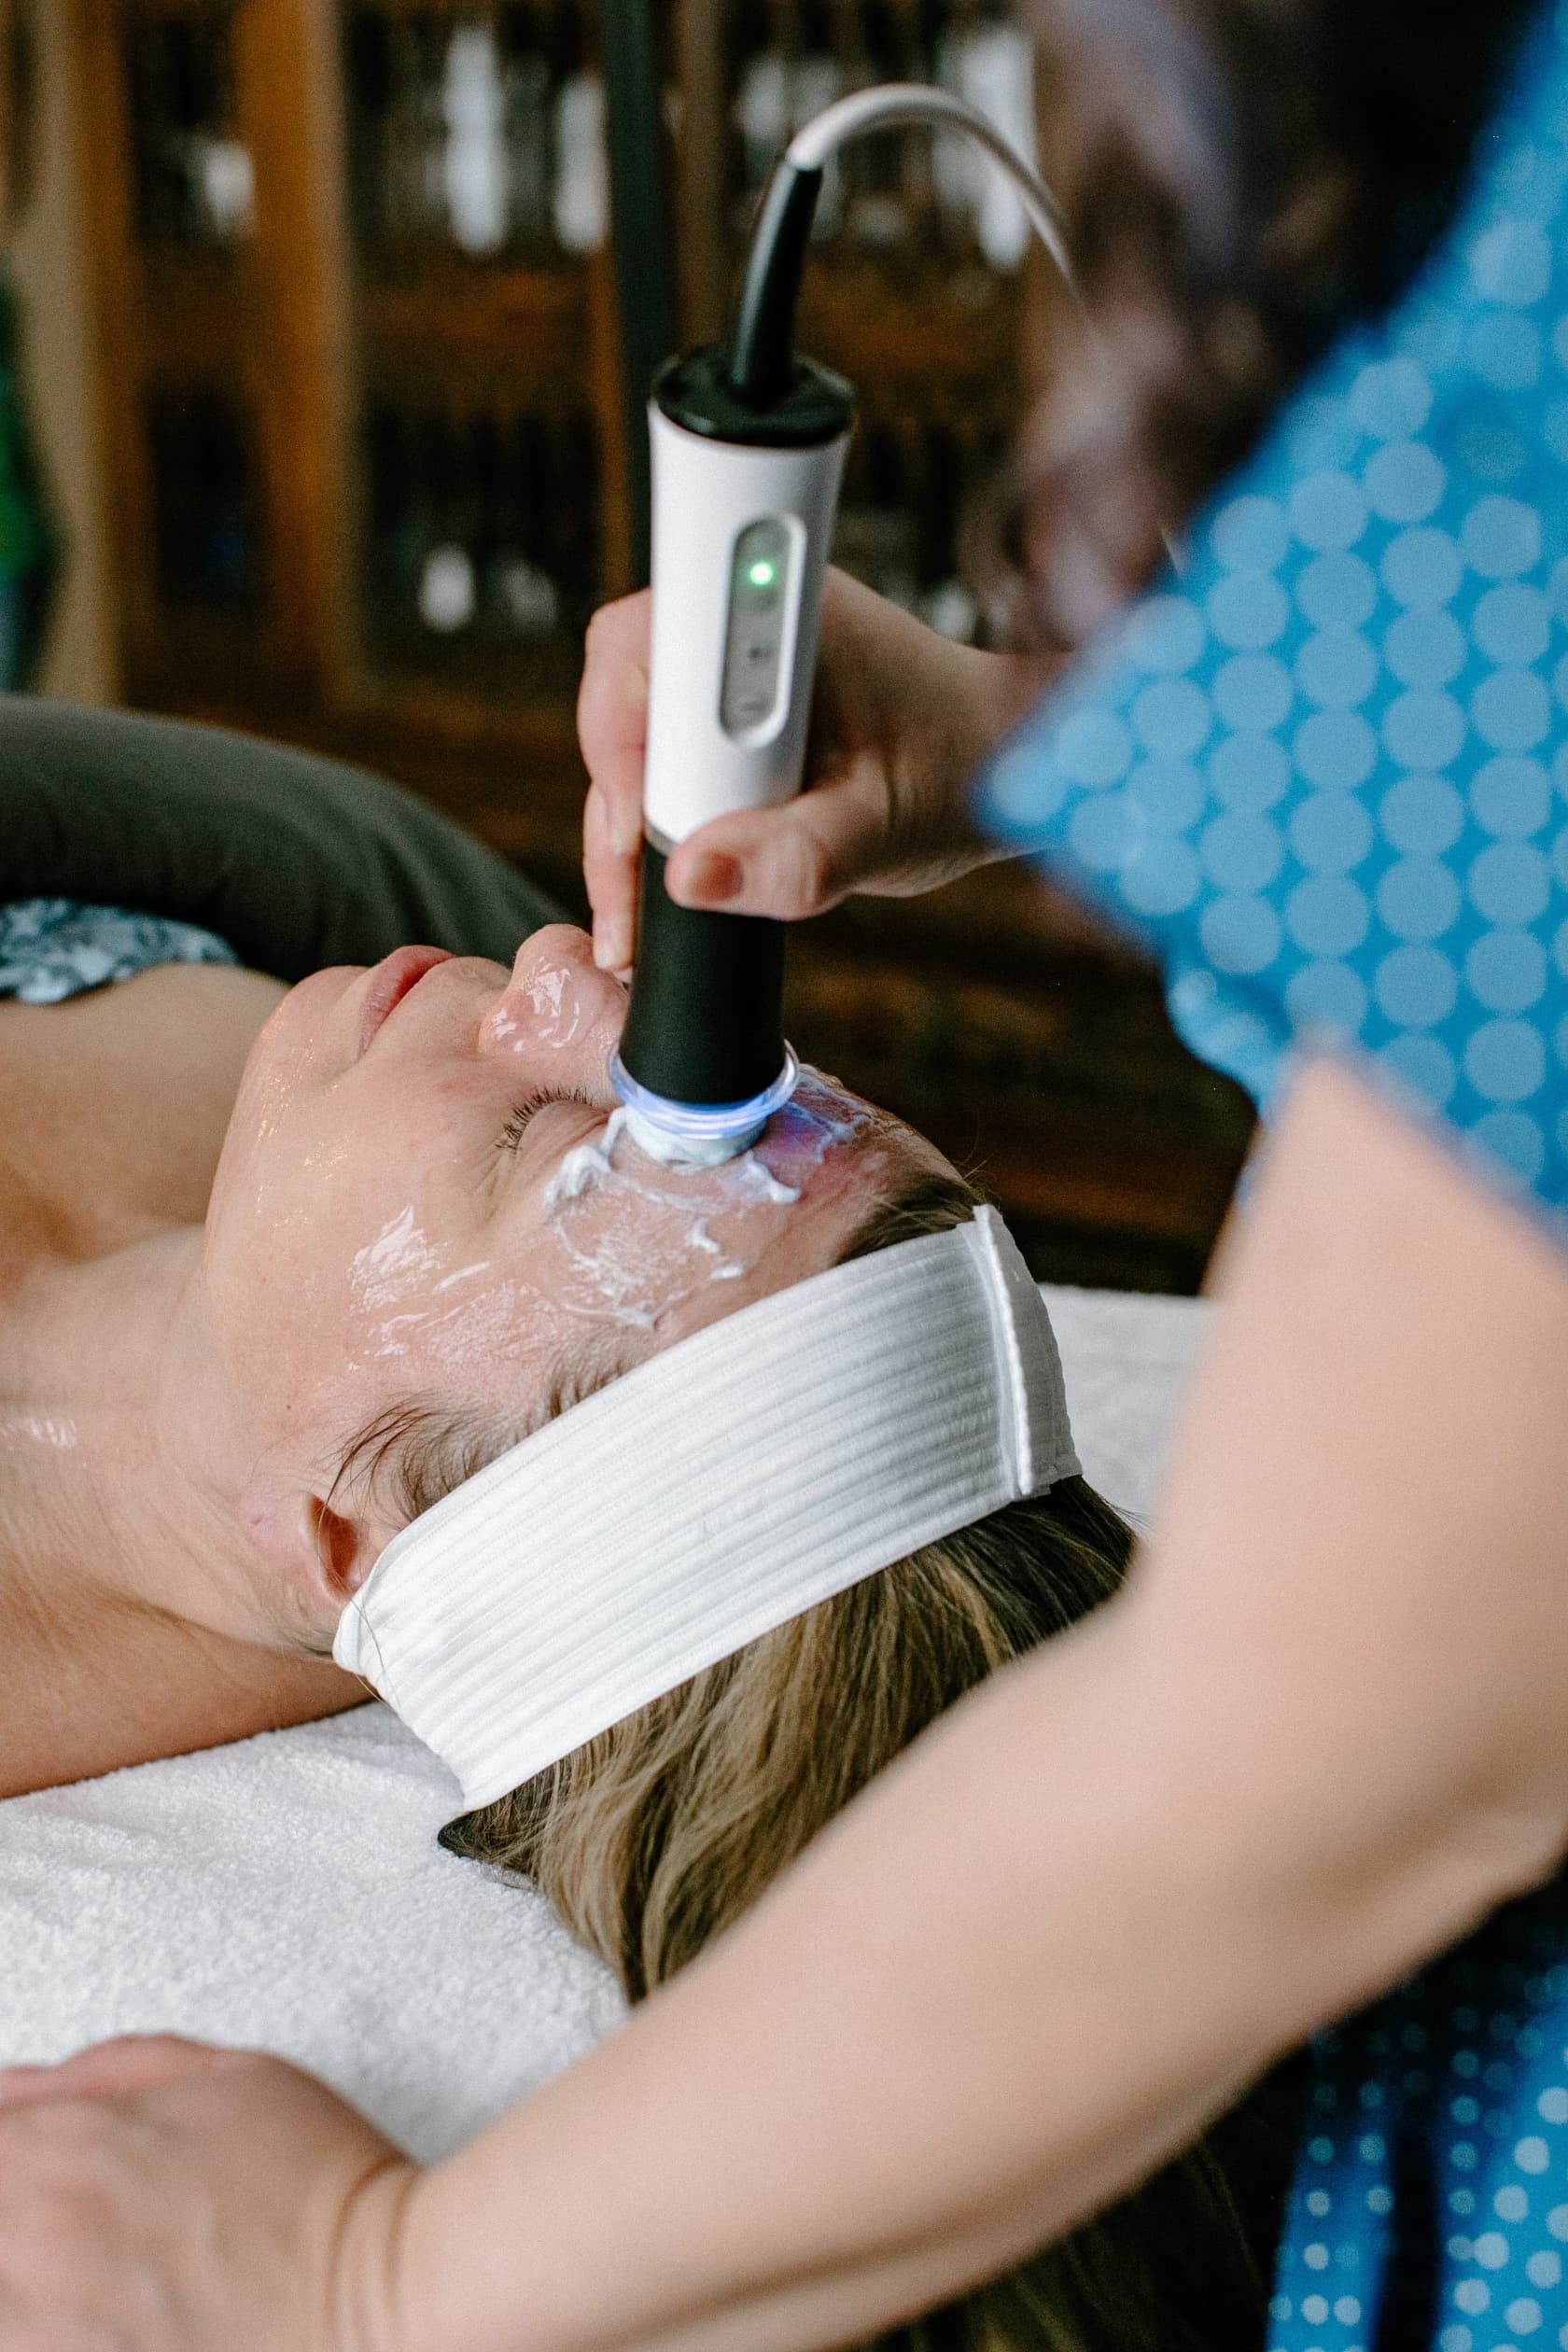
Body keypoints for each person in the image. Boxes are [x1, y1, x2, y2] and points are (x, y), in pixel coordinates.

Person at [1, 0, 1565, 2345]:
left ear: (348, 1537)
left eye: (558, 1138)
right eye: (710, 1074)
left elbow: (1321, 1761)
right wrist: (1028, 744)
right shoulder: (350, 956)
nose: (575, 961)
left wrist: (378, 2285)